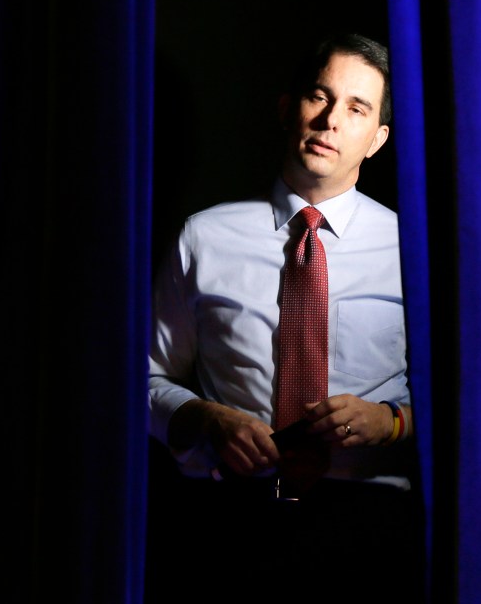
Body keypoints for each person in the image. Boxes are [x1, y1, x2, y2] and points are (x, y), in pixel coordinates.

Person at [146, 34, 421, 602]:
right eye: (318, 97)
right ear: (286, 108)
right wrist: (205, 418)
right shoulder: (203, 236)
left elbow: (471, 397)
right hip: (229, 523)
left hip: (370, 523)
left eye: (356, 108)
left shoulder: (412, 251)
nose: (330, 121)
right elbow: (143, 378)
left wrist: (389, 422)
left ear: (378, 140)